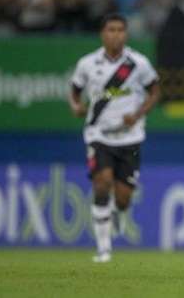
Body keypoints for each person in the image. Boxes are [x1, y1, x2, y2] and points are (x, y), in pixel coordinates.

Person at [68, 13, 160, 263]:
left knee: (123, 197)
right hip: (98, 134)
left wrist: (138, 113)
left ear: (126, 34)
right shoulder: (87, 64)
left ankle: (118, 212)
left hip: (130, 138)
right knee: (102, 182)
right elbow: (74, 91)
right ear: (102, 33)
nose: (116, 34)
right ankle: (104, 248)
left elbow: (155, 92)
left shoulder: (138, 63)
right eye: (111, 29)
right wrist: (75, 106)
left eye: (120, 30)